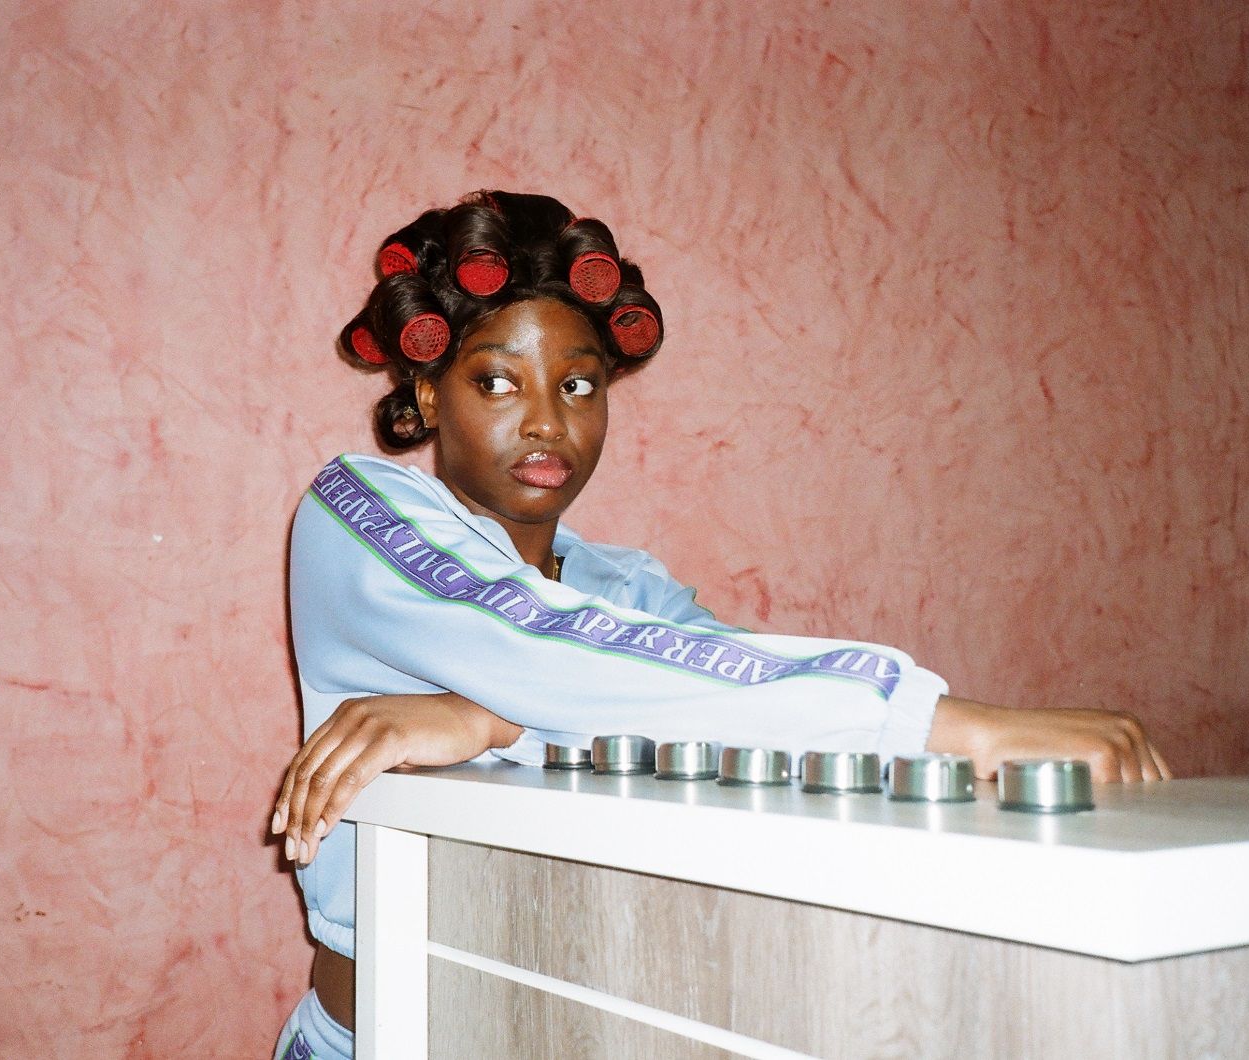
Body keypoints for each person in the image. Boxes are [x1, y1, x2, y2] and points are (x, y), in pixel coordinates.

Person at [268, 190, 1170, 1059]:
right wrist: (952, 726)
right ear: (428, 395)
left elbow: (728, 721)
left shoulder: (631, 591)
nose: (547, 420)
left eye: (578, 384)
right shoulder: (354, 513)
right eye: (498, 381)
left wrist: (490, 719)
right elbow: (545, 648)